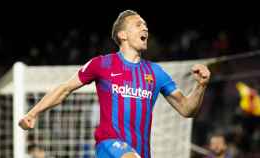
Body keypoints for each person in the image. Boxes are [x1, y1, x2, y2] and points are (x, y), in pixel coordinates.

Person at [19, 10, 211, 158]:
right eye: (138, 25)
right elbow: (65, 89)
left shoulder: (156, 72)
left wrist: (201, 85)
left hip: (141, 152)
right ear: (122, 35)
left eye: (145, 25)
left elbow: (187, 109)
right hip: (109, 146)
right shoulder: (102, 64)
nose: (145, 28)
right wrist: (33, 113)